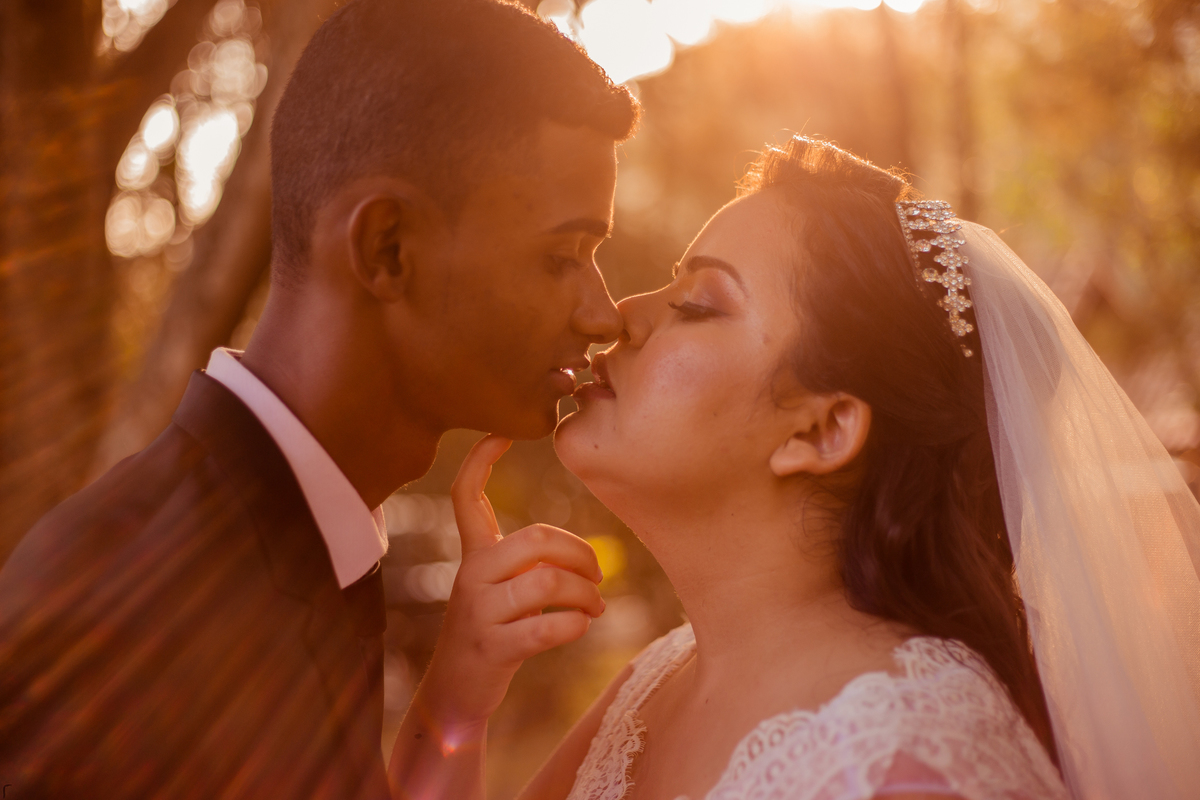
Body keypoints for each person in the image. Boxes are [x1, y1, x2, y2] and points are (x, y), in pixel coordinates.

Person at [0, 1, 638, 798]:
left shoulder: (289, 545)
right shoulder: (140, 614)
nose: (604, 313)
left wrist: (455, 702)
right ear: (388, 249)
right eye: (562, 255)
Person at [454, 136, 1196, 800]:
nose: (623, 314)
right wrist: (454, 705)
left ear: (822, 428)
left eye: (698, 304)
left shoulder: (911, 772)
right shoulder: (651, 689)